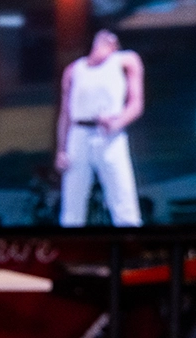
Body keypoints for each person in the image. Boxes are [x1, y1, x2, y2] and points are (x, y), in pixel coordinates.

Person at [56, 30, 144, 227]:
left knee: (123, 201)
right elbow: (65, 114)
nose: (107, 39)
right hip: (78, 134)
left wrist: (117, 122)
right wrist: (61, 149)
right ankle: (71, 253)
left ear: (115, 46)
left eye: (111, 39)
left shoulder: (126, 60)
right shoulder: (74, 69)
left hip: (110, 134)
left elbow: (136, 104)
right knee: (72, 207)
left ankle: (130, 252)